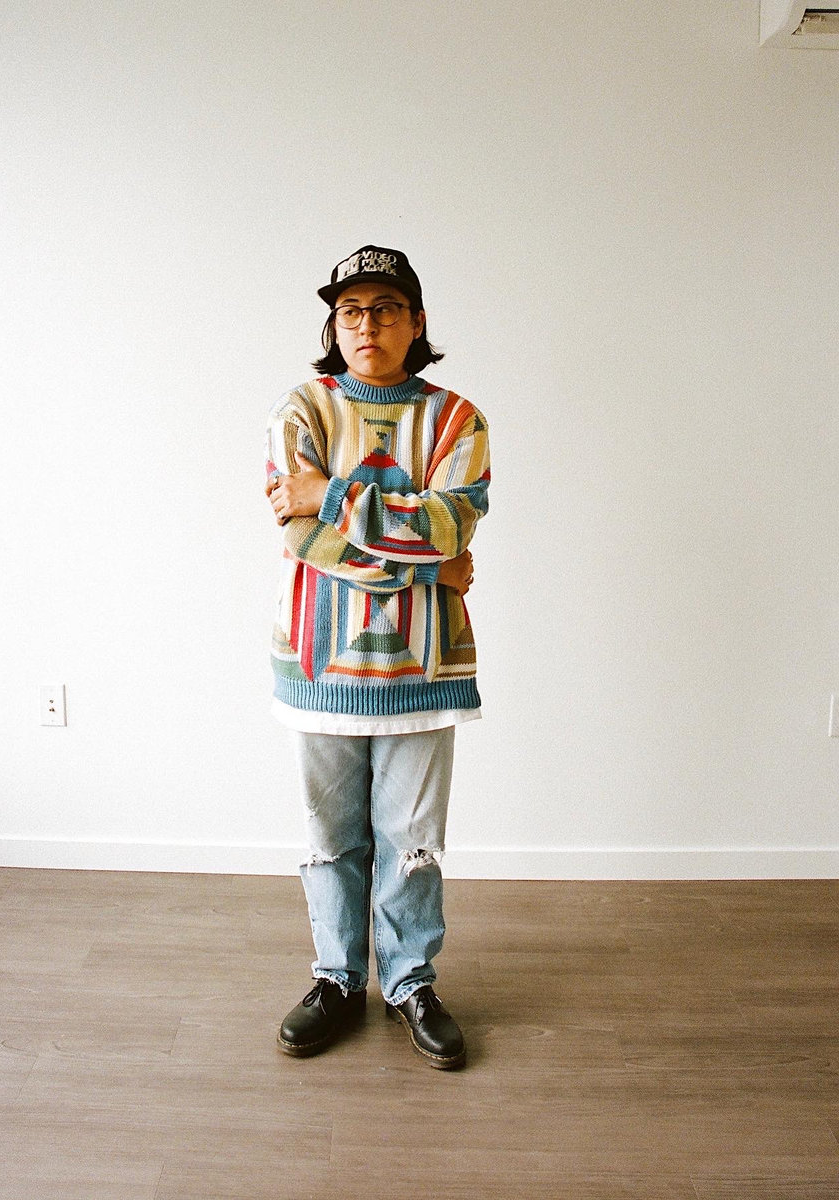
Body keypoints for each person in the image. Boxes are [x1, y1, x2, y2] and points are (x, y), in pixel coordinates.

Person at [264, 245, 490, 1069]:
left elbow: (450, 526)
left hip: (423, 672)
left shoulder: (458, 420)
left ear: (416, 321)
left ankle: (410, 982)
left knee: (413, 840)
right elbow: (303, 540)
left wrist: (331, 496)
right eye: (351, 311)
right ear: (334, 324)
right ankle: (337, 979)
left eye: (386, 308)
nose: (368, 325)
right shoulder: (302, 409)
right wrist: (427, 568)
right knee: (330, 836)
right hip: (318, 664)